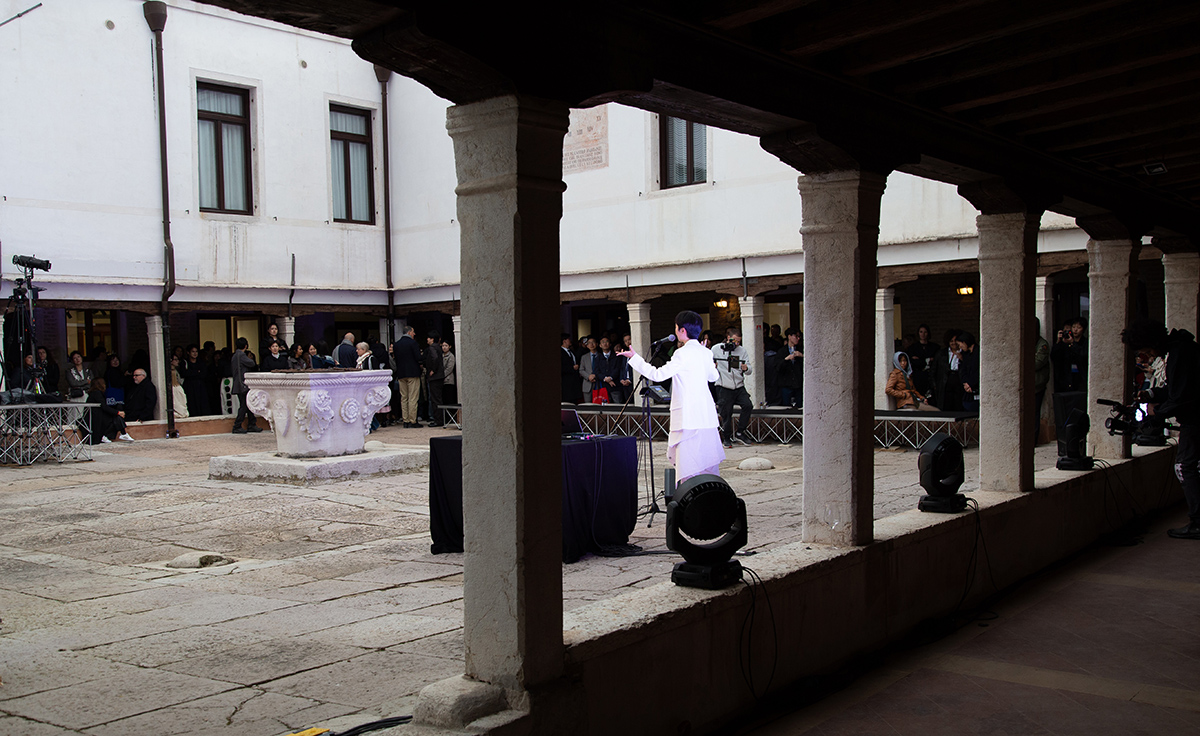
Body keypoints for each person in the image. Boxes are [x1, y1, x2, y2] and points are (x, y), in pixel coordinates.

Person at [618, 310, 724, 481]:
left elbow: (658, 375)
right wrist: (707, 359)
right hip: (705, 415)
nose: (675, 331)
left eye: (676, 327)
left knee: (688, 463)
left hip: (688, 416)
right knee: (706, 460)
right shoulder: (705, 352)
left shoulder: (682, 353)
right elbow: (714, 377)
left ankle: (689, 496)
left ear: (682, 330)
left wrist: (635, 358)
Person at [1123, 318, 1200, 539]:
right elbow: (1180, 389)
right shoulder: (1183, 348)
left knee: (1185, 467)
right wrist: (1154, 394)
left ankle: (1197, 522)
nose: (1146, 356)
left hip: (1195, 421)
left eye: (1145, 350)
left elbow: (1182, 397)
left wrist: (1156, 411)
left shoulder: (1179, 354)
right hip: (1194, 419)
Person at [711, 326, 754, 447]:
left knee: (747, 405)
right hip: (723, 386)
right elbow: (708, 364)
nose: (736, 343)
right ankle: (727, 437)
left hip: (739, 385)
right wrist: (713, 366)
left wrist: (746, 368)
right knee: (726, 412)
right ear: (728, 337)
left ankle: (740, 432)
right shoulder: (716, 349)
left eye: (738, 341)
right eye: (734, 340)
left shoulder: (742, 351)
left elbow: (749, 368)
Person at [83, 377, 134, 444]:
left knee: (116, 417)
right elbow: (104, 406)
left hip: (98, 416)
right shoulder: (96, 393)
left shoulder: (95, 393)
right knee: (116, 417)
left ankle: (122, 434)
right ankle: (123, 433)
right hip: (95, 417)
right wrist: (117, 412)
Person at [391, 326, 424, 427]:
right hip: (413, 372)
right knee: (413, 397)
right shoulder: (413, 343)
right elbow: (418, 357)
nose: (414, 334)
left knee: (404, 397)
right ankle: (412, 420)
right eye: (413, 332)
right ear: (409, 332)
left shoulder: (396, 345)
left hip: (401, 373)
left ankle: (405, 420)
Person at [230, 337, 262, 434]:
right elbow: (251, 363)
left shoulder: (235, 355)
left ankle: (252, 424)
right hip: (242, 384)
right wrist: (250, 358)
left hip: (239, 383)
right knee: (244, 405)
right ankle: (237, 425)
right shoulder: (241, 355)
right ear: (246, 346)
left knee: (248, 405)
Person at [930, 329, 963, 412]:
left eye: (955, 340)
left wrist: (962, 358)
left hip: (959, 380)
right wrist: (934, 385)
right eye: (951, 341)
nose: (953, 343)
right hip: (946, 381)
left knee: (958, 404)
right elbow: (933, 370)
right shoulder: (941, 353)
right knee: (946, 404)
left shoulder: (963, 353)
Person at [1052, 317, 1087, 392]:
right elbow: (1054, 356)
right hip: (1065, 380)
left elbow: (1083, 355)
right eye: (1073, 327)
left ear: (1083, 329)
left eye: (1079, 327)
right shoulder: (1065, 342)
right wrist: (1059, 342)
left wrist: (1073, 343)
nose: (1075, 330)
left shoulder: (1085, 343)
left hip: (1080, 380)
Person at [1033, 319, 1051, 445]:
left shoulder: (1042, 344)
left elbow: (1037, 363)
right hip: (1026, 385)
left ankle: (1033, 439)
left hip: (1037, 385)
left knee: (1034, 413)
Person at [908, 325, 939, 397]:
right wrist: (927, 359)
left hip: (930, 376)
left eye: (925, 332)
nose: (923, 334)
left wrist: (920, 360)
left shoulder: (934, 347)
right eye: (921, 332)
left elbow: (935, 362)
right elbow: (914, 362)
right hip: (918, 376)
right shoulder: (913, 347)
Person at [180, 344, 211, 416]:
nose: (195, 353)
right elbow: (184, 373)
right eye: (193, 351)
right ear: (188, 352)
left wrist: (191, 373)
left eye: (196, 351)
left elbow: (203, 374)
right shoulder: (184, 362)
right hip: (189, 387)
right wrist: (196, 372)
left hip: (200, 386)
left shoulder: (201, 362)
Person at [776, 327, 803, 408]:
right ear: (789, 336)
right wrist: (786, 359)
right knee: (786, 407)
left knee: (800, 406)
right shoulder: (782, 351)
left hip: (798, 383)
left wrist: (802, 356)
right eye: (796, 336)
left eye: (799, 337)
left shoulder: (801, 349)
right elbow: (777, 367)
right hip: (786, 384)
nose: (798, 339)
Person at [958, 331, 980, 412]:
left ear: (965, 342)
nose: (960, 347)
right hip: (968, 388)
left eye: (961, 344)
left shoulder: (978, 353)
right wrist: (965, 383)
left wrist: (971, 383)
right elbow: (963, 370)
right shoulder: (966, 355)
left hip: (975, 387)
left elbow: (978, 371)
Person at [560, 333, 581, 404]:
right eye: (568, 339)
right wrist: (572, 368)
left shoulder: (571, 351)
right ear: (564, 341)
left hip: (574, 382)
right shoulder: (560, 352)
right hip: (566, 383)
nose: (570, 341)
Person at [579, 337, 601, 402]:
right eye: (589, 343)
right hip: (587, 384)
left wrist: (595, 375)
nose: (591, 344)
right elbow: (581, 370)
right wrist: (588, 376)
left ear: (597, 344)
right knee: (588, 406)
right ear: (587, 346)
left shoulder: (601, 356)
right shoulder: (584, 357)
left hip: (599, 383)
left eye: (593, 342)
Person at [441, 341, 457, 406]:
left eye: (446, 345)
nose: (444, 347)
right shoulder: (441, 355)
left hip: (448, 380)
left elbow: (449, 368)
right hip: (442, 381)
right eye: (443, 346)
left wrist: (442, 375)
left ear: (449, 346)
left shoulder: (451, 356)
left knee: (449, 398)